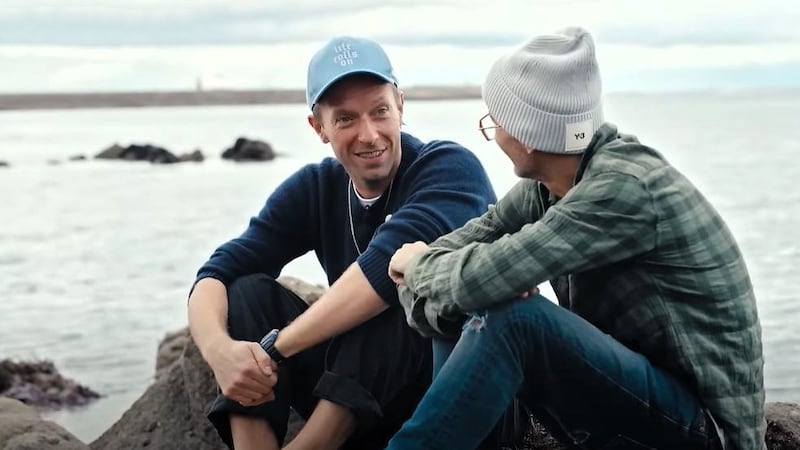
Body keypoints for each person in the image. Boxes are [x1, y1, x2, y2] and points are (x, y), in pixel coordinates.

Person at [386, 27, 765, 450]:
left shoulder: (621, 189)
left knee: (515, 317)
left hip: (706, 433)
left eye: (495, 121)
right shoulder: (550, 185)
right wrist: (435, 288)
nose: (493, 133)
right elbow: (458, 264)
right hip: (641, 406)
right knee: (471, 299)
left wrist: (419, 267)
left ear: (529, 136)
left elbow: (476, 276)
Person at [187, 36, 496, 450]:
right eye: (346, 119)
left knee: (401, 285)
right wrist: (221, 354)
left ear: (400, 106)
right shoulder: (315, 188)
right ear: (319, 127)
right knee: (247, 292)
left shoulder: (448, 169)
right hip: (364, 390)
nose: (369, 134)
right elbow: (217, 273)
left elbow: (381, 271)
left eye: (380, 111)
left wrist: (273, 350)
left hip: (446, 389)